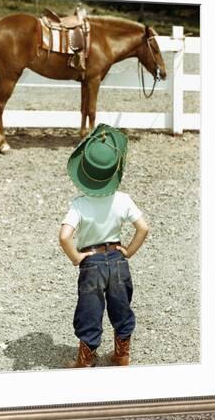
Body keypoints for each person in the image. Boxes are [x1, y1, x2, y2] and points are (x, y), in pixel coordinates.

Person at [59, 123, 148, 368]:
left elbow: (65, 236)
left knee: (90, 309)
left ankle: (85, 359)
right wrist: (128, 251)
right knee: (121, 306)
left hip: (92, 263)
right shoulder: (123, 199)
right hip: (118, 261)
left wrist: (76, 257)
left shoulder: (80, 204)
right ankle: (122, 354)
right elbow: (143, 228)